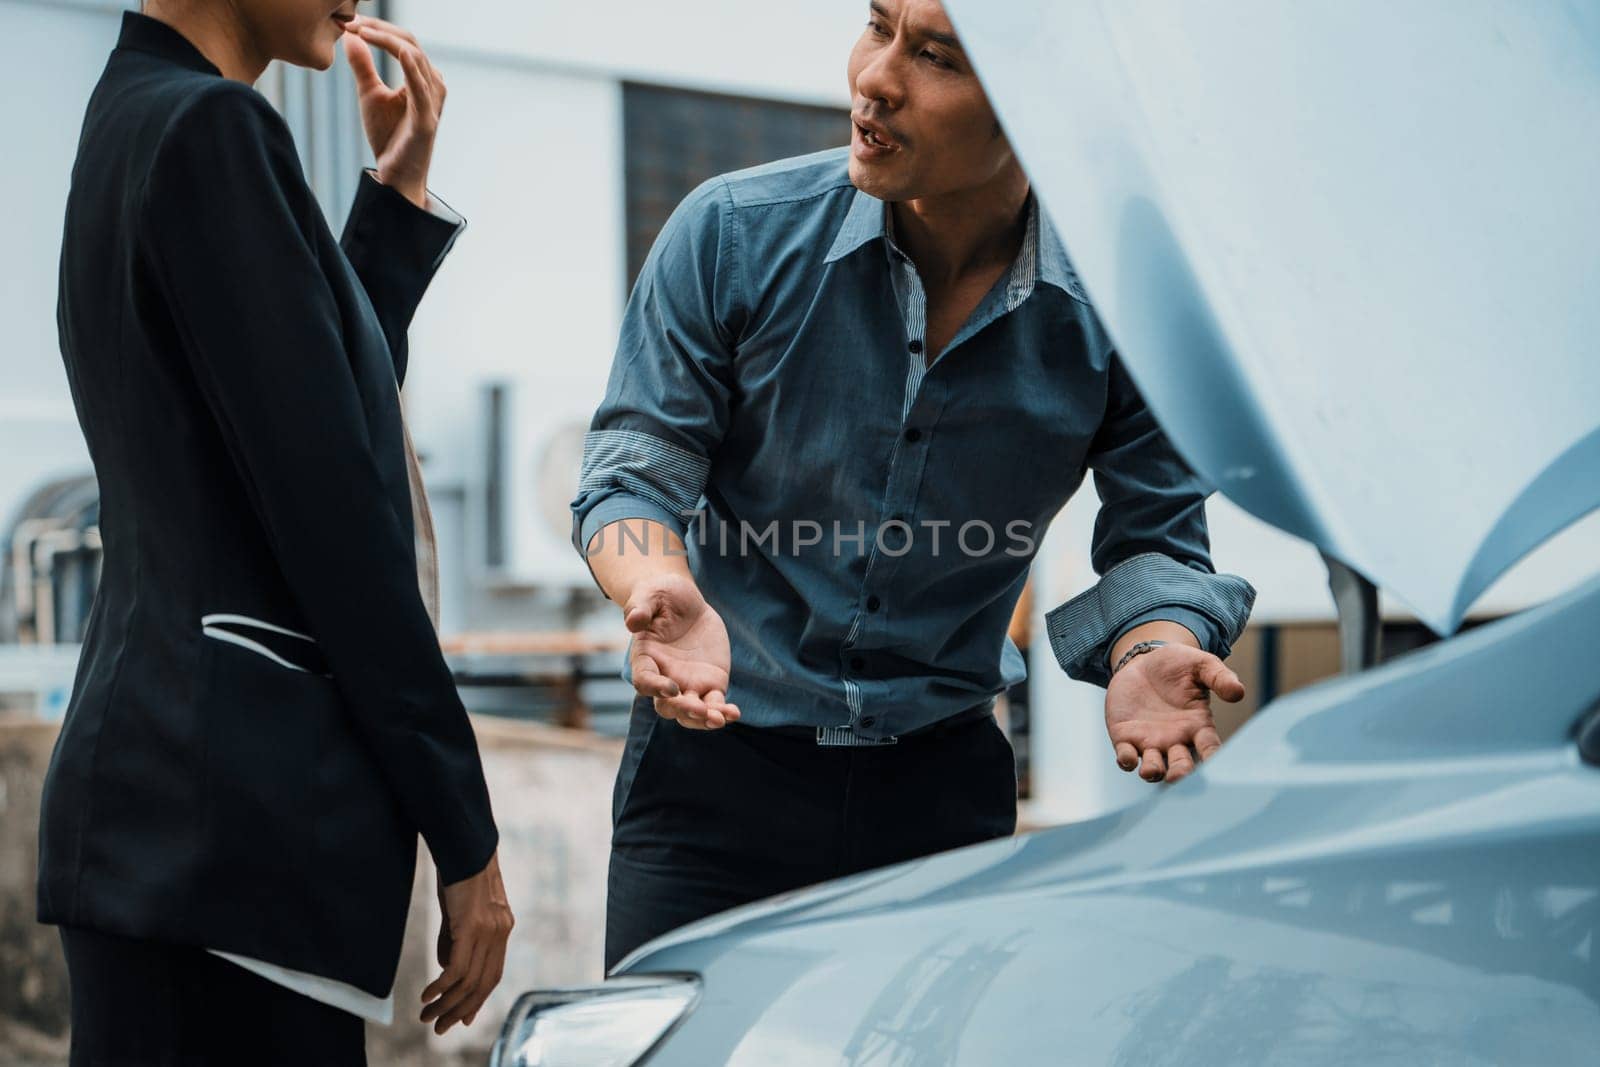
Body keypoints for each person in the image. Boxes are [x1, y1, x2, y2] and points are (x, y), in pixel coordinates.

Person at [575, 0, 1256, 971]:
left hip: (939, 796)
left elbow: (1158, 533)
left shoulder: (1121, 306)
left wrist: (1155, 640)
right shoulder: (730, 234)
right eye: (876, 23)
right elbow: (632, 469)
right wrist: (655, 584)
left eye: (933, 55)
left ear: (1042, 109)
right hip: (712, 775)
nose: (874, 78)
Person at [38, 3, 513, 1062]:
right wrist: (465, 830)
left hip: (164, 821)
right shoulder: (216, 129)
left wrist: (391, 202)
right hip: (228, 833)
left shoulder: (134, 115)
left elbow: (295, 413)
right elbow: (336, 518)